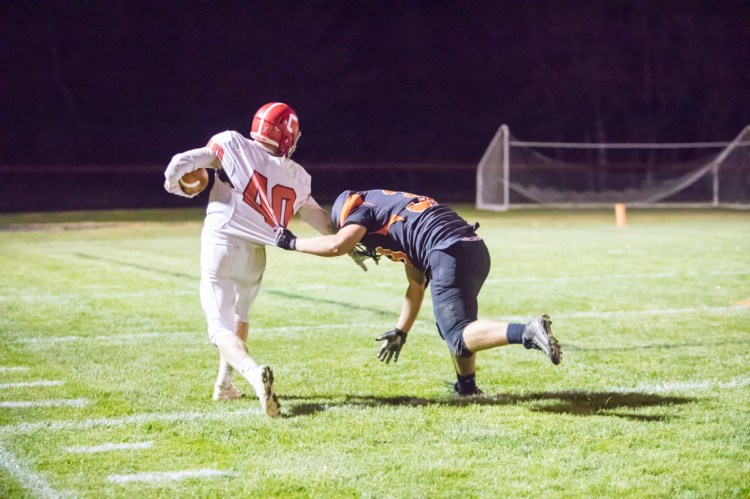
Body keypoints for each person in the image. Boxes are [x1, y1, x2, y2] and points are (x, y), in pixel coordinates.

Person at [164, 102, 367, 418]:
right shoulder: (298, 176)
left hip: (221, 240)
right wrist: (351, 245)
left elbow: (182, 162)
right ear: (288, 136)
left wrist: (175, 185)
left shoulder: (232, 142)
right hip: (257, 254)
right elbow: (323, 222)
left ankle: (251, 373)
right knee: (240, 316)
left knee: (219, 327)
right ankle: (224, 384)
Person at [274, 189, 562, 396]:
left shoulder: (363, 208)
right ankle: (467, 388)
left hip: (448, 251)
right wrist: (402, 330)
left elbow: (338, 245)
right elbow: (415, 285)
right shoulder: (395, 210)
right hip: (472, 249)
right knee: (454, 326)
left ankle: (527, 332)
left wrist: (291, 242)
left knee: (458, 334)